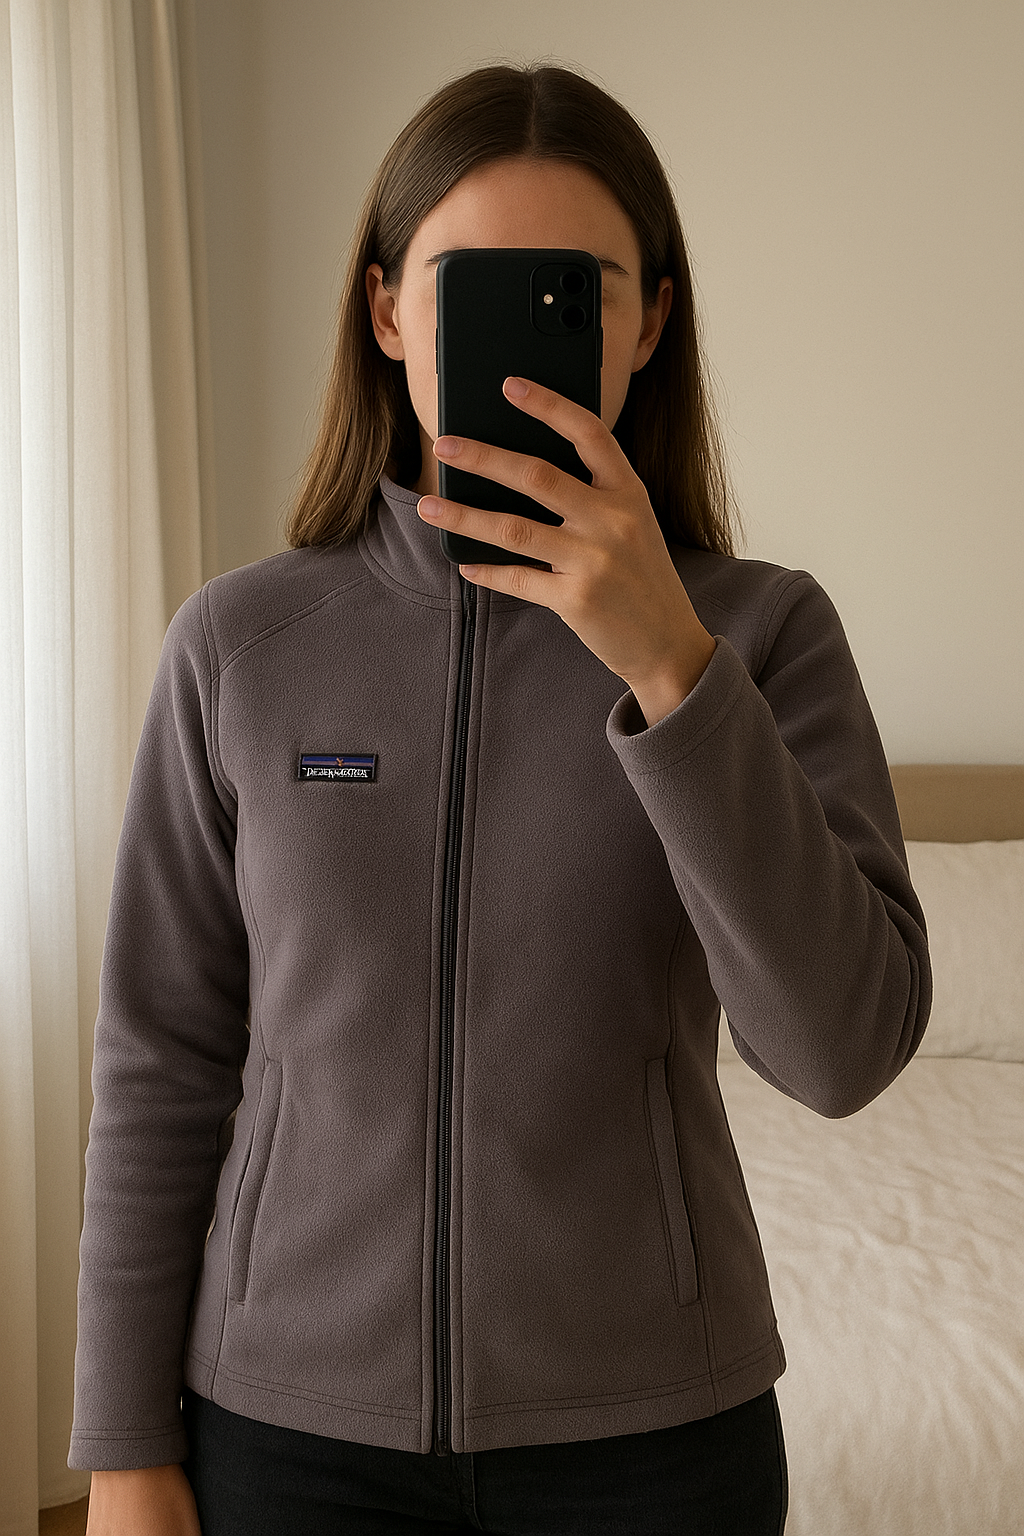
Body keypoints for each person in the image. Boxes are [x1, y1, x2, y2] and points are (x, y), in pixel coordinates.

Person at [71, 61, 931, 1536]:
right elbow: (161, 1056)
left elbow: (841, 1050)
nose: (525, 342)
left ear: (649, 323)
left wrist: (670, 666)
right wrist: (123, 1450)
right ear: (388, 310)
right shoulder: (240, 645)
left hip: (654, 1439)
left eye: (575, 293)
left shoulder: (761, 635)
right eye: (469, 285)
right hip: (289, 1426)